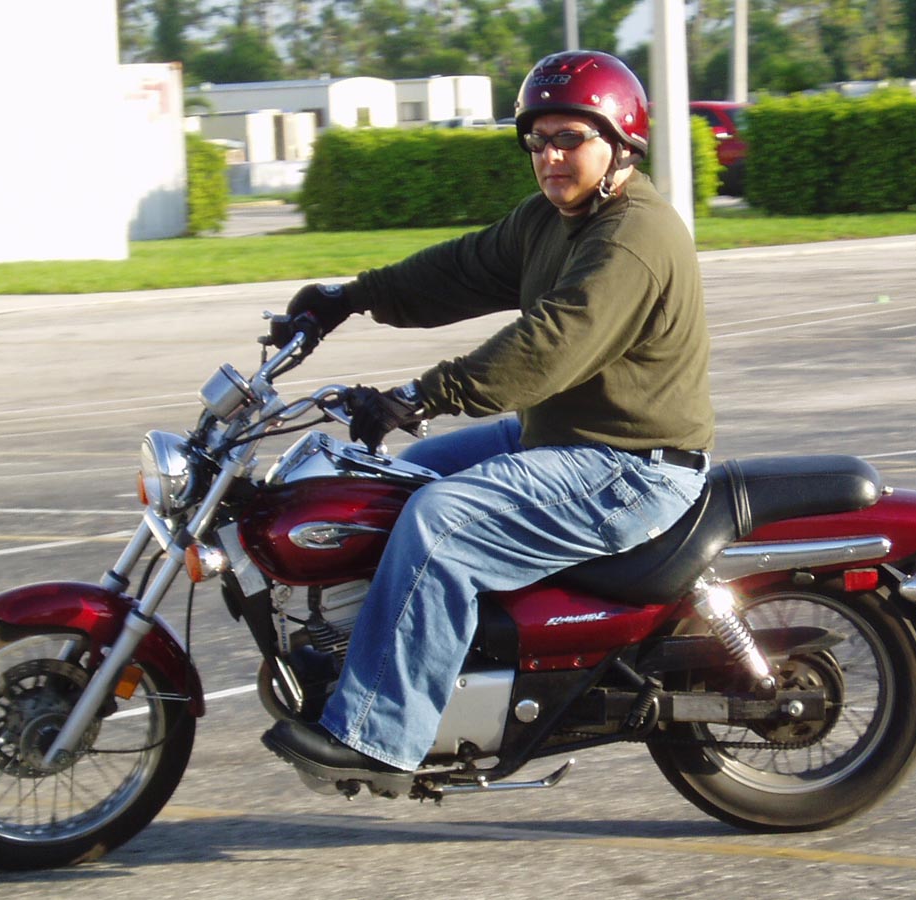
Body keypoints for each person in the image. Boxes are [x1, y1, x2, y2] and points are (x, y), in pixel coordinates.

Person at [262, 50, 714, 792]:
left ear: (620, 142)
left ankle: (380, 733)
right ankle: (395, 659)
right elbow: (458, 270)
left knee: (439, 523)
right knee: (390, 485)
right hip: (560, 437)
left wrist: (422, 395)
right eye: (537, 140)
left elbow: (551, 346)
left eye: (569, 138)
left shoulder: (634, 237)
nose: (550, 156)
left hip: (631, 465)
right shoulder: (552, 220)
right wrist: (349, 298)